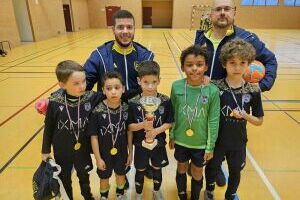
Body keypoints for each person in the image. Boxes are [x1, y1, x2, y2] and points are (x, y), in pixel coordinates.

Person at [194, 0, 277, 186]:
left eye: (227, 9)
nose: (222, 12)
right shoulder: (201, 38)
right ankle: (211, 166)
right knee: (207, 136)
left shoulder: (247, 38)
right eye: (218, 9)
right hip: (205, 99)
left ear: (234, 11)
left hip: (229, 102)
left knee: (226, 136)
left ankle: (218, 168)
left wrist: (261, 86)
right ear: (211, 13)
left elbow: (270, 60)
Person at [84, 9, 155, 184]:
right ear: (113, 30)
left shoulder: (145, 55)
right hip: (110, 108)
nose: (125, 31)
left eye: (129, 27)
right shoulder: (100, 55)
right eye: (120, 27)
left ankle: (143, 166)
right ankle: (115, 171)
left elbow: (151, 83)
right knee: (112, 144)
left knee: (142, 140)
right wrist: (59, 96)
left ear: (134, 29)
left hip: (135, 108)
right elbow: (83, 83)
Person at [204, 39, 264, 200]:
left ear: (249, 64)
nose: (237, 68)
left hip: (238, 142)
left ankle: (230, 194)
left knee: (235, 170)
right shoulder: (215, 86)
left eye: (242, 63)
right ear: (224, 64)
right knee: (211, 168)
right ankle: (209, 190)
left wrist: (245, 115)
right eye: (232, 63)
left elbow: (259, 120)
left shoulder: (253, 90)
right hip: (216, 141)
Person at [41, 60, 103, 200]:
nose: (82, 86)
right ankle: (67, 197)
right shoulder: (55, 102)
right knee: (64, 178)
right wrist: (45, 150)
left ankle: (87, 195)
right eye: (76, 83)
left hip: (83, 148)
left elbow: (113, 94)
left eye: (84, 81)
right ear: (62, 85)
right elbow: (49, 127)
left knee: (84, 174)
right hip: (62, 150)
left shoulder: (91, 97)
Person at [169, 45, 220, 200]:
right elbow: (172, 113)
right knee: (181, 167)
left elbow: (213, 120)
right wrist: (171, 135)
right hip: (181, 140)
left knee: (197, 171)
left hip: (201, 143)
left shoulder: (212, 91)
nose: (194, 69)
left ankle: (195, 197)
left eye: (199, 65)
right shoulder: (177, 86)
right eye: (189, 65)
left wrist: (210, 146)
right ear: (183, 67)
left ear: (206, 67)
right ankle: (182, 194)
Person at [128, 60, 173, 200]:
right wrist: (143, 125)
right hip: (139, 145)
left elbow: (169, 122)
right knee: (140, 170)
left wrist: (156, 131)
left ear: (159, 80)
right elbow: (129, 126)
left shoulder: (165, 100)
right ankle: (139, 193)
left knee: (157, 168)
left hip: (158, 144)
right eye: (146, 82)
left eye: (154, 82)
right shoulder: (133, 102)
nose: (150, 86)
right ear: (138, 81)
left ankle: (156, 191)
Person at [86, 71, 132, 200]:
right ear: (103, 90)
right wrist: (98, 158)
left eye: (117, 88)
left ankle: (120, 194)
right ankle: (104, 196)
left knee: (121, 176)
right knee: (104, 178)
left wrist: (130, 153)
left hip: (122, 153)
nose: (113, 92)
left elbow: (129, 132)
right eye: (108, 88)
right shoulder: (97, 111)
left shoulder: (127, 109)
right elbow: (93, 137)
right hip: (104, 154)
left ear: (123, 89)